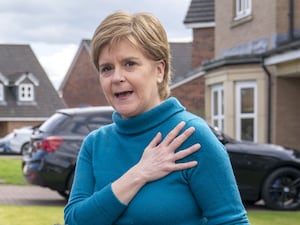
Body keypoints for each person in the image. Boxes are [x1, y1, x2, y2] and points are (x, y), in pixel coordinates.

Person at [64, 11, 250, 225]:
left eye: (129, 64)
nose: (117, 77)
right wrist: (138, 174)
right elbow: (74, 221)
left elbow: (232, 221)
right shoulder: (95, 144)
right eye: (107, 68)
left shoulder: (190, 135)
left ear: (159, 70)